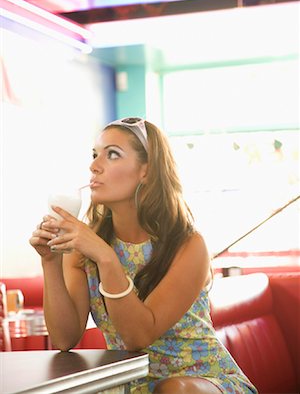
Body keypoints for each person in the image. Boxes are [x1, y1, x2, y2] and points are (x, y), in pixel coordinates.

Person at [29, 117, 257, 394]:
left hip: (201, 382)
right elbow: (64, 338)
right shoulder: (84, 246)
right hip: (132, 386)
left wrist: (106, 257)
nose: (94, 165)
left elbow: (138, 336)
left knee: (173, 391)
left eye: (112, 154)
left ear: (146, 171)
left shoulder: (188, 245)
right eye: (94, 154)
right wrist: (50, 261)